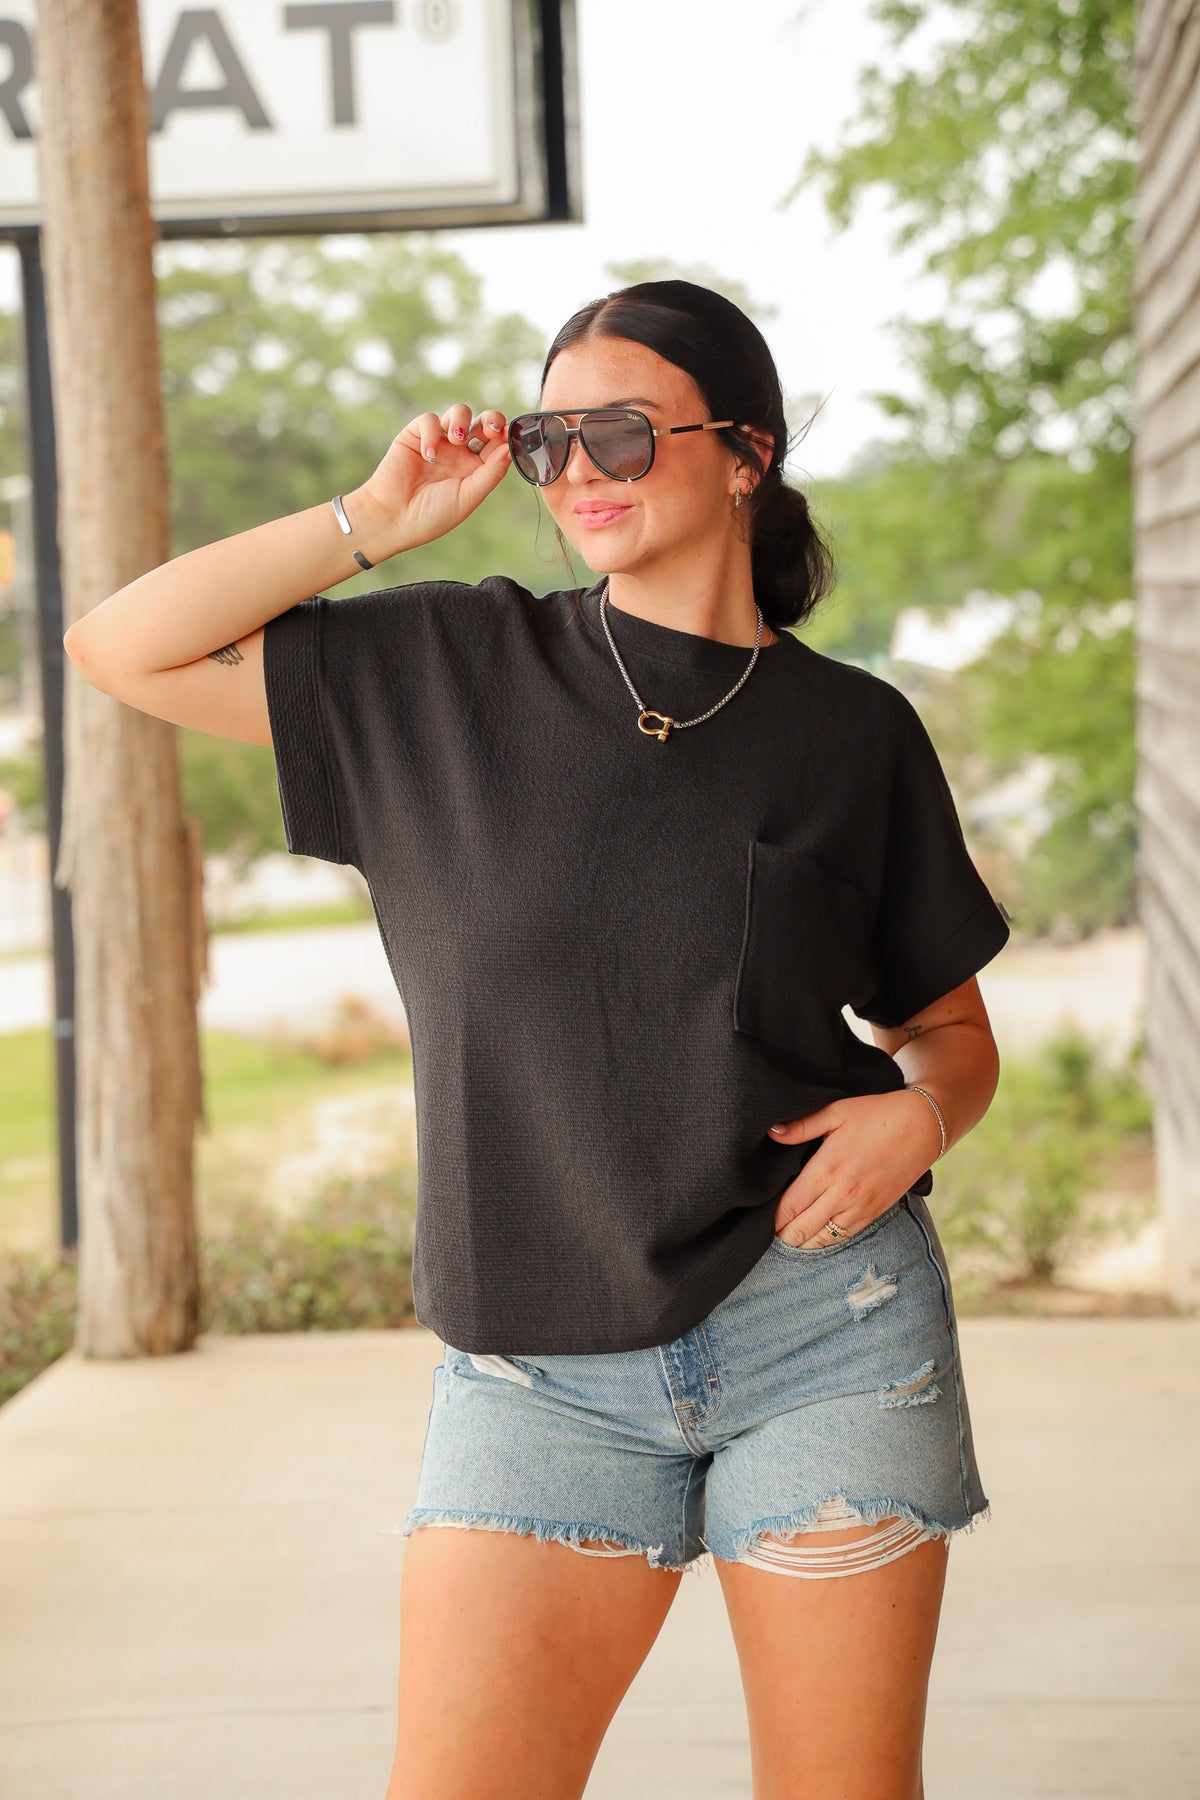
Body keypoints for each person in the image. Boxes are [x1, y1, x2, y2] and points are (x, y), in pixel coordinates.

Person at [65, 278, 1010, 1800]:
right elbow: (123, 648)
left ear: (746, 454)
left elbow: (949, 1030)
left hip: (823, 1328)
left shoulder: (853, 733)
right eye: (545, 441)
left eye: (620, 433)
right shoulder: (442, 673)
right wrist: (372, 520)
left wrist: (923, 1114)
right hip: (536, 1364)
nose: (578, 471)